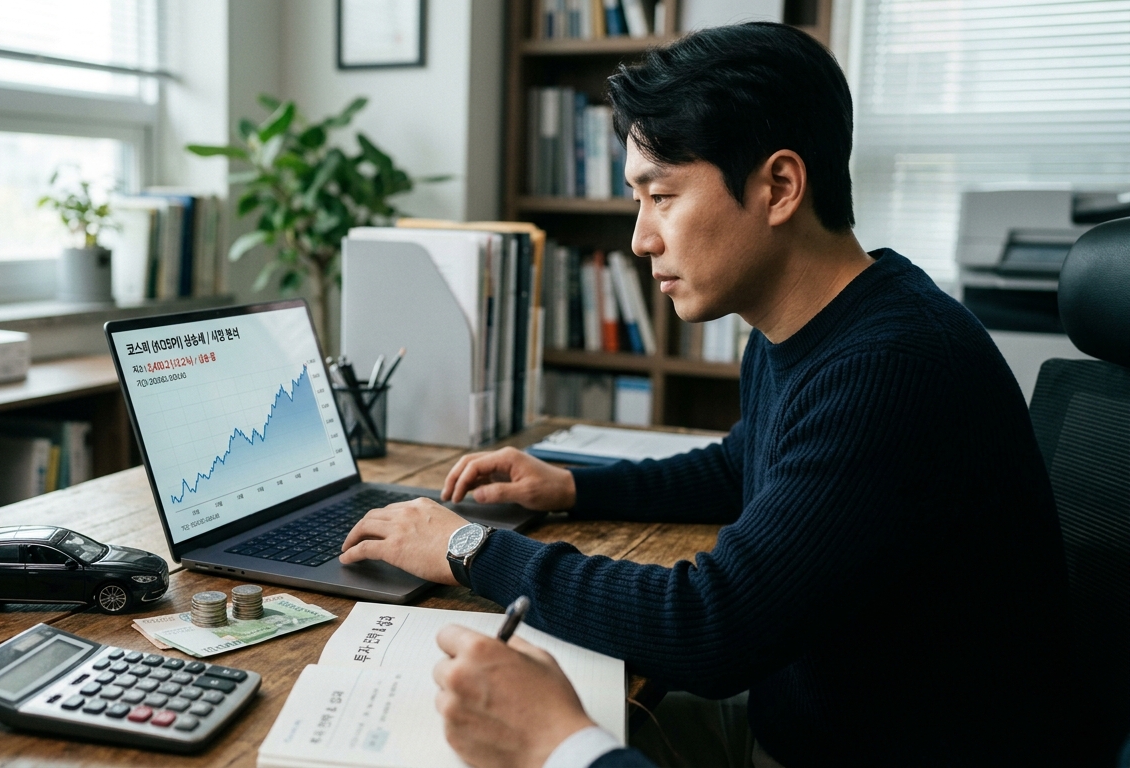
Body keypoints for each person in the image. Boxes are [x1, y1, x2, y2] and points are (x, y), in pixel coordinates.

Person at [338, 21, 1071, 768]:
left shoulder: (895, 366)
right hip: (798, 723)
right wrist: (568, 487)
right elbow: (743, 465)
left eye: (661, 196)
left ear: (779, 186)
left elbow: (711, 626)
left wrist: (467, 546)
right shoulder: (814, 320)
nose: (640, 238)